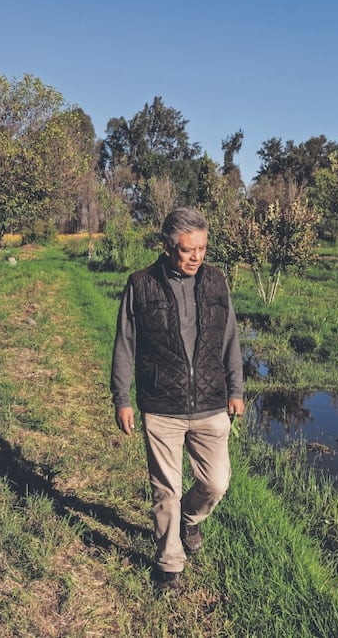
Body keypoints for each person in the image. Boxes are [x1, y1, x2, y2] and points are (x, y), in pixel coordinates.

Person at [110, 206, 245, 591]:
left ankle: (190, 519)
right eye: (188, 249)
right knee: (165, 489)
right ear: (168, 247)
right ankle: (170, 564)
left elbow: (230, 340)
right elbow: (124, 345)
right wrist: (122, 398)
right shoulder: (140, 284)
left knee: (216, 483)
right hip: (161, 405)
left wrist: (236, 389)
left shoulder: (217, 282)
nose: (197, 256)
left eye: (202, 248)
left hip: (210, 402)